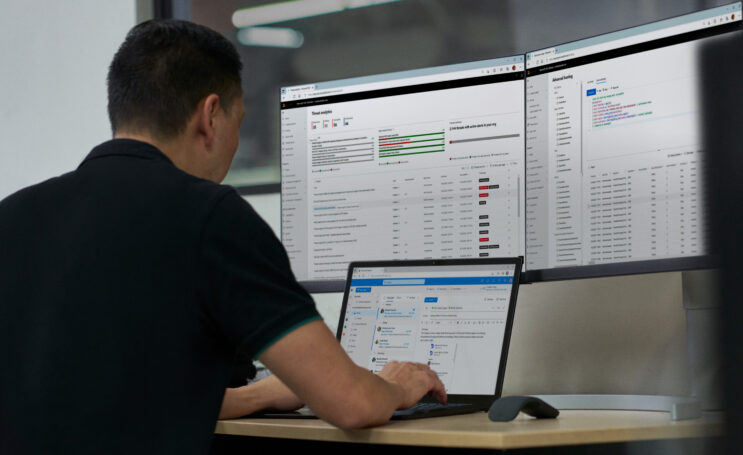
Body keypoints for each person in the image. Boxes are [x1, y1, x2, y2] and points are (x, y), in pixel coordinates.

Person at [0, 19, 445, 454]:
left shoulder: (13, 214)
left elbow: (122, 397)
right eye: (240, 121)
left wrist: (265, 394)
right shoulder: (209, 215)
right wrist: (394, 386)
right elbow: (352, 403)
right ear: (211, 115)